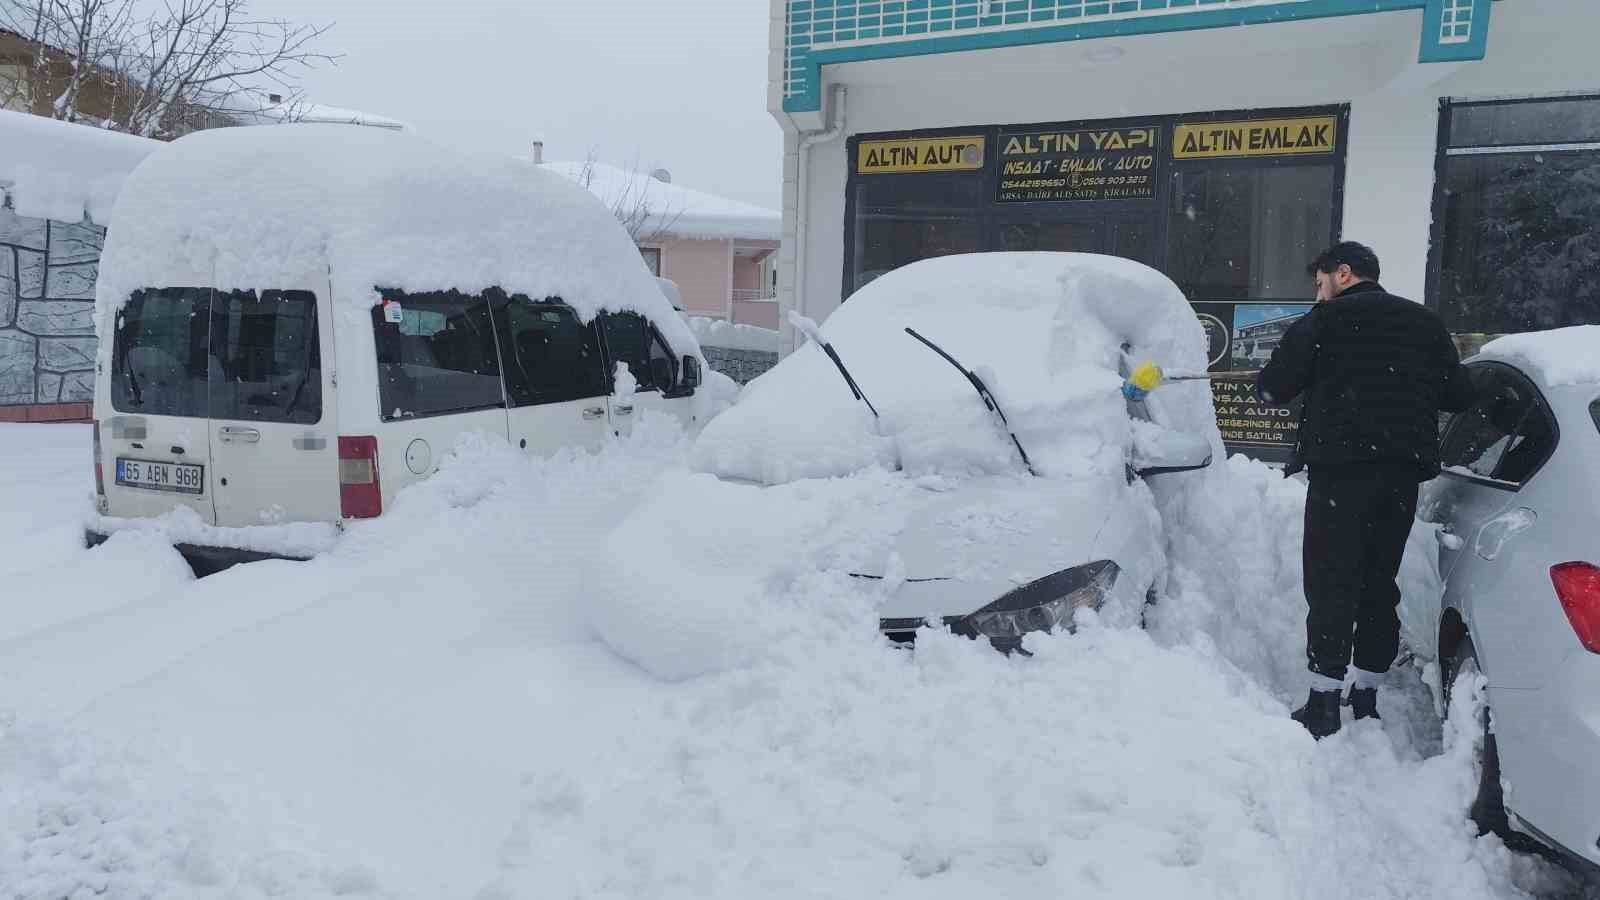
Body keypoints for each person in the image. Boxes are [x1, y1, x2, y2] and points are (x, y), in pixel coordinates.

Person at [1258, 241, 1476, 739]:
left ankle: (1323, 702)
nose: (1318, 293)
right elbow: (1460, 394)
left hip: (1340, 474)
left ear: (1343, 273)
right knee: (1378, 582)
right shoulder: (1425, 324)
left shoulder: (1324, 321)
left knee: (1331, 581)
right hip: (1400, 477)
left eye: (1320, 283)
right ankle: (1367, 694)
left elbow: (1274, 387)